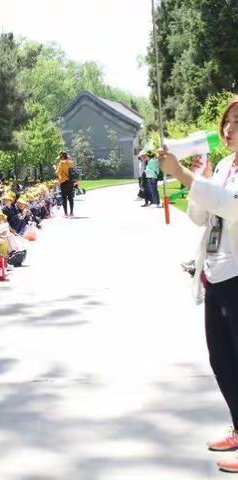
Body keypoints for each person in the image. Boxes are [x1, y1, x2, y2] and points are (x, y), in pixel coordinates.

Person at [158, 96, 238, 474]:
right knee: (222, 359)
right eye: (227, 122)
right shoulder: (224, 165)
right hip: (218, 273)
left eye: (236, 121)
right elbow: (200, 214)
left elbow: (231, 206)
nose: (228, 128)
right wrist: (196, 176)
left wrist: (186, 176)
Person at [55, 151, 74, 217]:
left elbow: (57, 173)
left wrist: (56, 168)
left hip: (63, 182)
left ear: (62, 157)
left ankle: (65, 213)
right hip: (70, 182)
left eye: (60, 157)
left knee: (64, 198)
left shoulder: (61, 163)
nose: (60, 158)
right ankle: (71, 212)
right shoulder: (70, 162)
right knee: (71, 198)